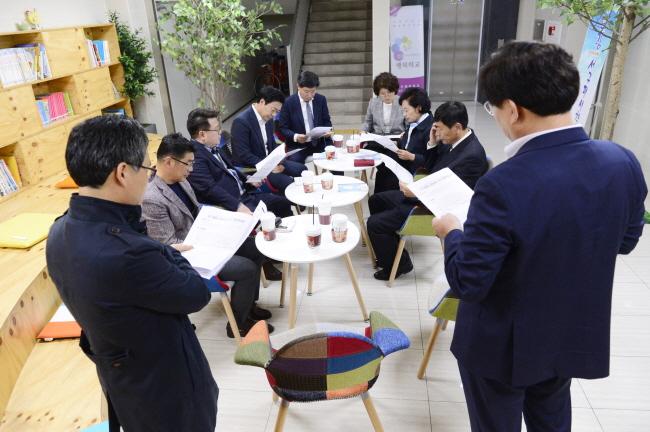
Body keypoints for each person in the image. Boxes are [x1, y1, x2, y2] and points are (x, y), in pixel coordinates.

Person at [431, 42, 647, 432]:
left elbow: (469, 280)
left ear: (513, 109)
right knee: (552, 419)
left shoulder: (502, 184)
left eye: (493, 108)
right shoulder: (621, 161)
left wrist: (452, 232)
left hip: (499, 345)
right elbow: (626, 240)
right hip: (567, 330)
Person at [46, 116, 218, 431]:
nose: (149, 177)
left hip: (124, 381)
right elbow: (196, 292)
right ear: (123, 172)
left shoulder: (58, 231)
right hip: (167, 392)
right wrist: (167, 252)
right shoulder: (130, 252)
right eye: (147, 168)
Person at [141, 133, 275, 338]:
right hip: (188, 255)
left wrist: (226, 221)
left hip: (206, 239)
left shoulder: (181, 180)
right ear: (169, 162)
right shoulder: (152, 198)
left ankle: (248, 304)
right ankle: (238, 324)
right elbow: (168, 244)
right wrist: (208, 243)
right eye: (188, 163)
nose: (191, 169)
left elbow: (197, 210)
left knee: (256, 247)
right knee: (246, 268)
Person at [367, 101, 488, 280]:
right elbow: (431, 169)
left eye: (440, 128)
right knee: (375, 200)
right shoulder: (454, 140)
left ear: (457, 127)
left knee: (374, 224)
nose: (438, 133)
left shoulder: (471, 155)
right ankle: (390, 251)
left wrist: (415, 192)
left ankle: (397, 265)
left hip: (435, 208)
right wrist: (432, 143)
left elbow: (451, 195)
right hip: (427, 195)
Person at [186, 108, 293, 217]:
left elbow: (230, 169)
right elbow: (209, 189)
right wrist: (237, 205)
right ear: (202, 135)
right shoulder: (194, 157)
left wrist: (248, 180)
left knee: (283, 203)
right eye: (217, 129)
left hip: (246, 195)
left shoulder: (212, 146)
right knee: (270, 218)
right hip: (232, 206)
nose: (220, 132)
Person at [231, 86, 307, 192]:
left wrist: (280, 160)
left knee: (303, 170)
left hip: (270, 162)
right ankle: (286, 200)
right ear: (262, 102)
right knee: (289, 184)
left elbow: (271, 143)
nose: (274, 115)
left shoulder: (268, 118)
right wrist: (268, 166)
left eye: (277, 112)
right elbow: (243, 155)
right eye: (273, 110)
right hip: (254, 168)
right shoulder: (241, 122)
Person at [372, 87, 434, 194]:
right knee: (379, 159)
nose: (404, 115)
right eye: (403, 111)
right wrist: (401, 141)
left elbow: (432, 160)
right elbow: (408, 144)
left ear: (418, 108)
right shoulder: (415, 122)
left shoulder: (430, 129)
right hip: (405, 164)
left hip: (414, 172)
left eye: (406, 110)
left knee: (385, 178)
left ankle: (381, 200)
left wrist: (411, 156)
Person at [278, 70, 333, 164]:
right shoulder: (288, 103)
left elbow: (327, 121)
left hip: (320, 142)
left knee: (335, 159)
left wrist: (328, 131)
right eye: (306, 91)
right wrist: (296, 136)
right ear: (298, 86)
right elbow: (283, 128)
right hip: (298, 145)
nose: (310, 95)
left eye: (313, 91)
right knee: (295, 165)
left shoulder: (321, 100)